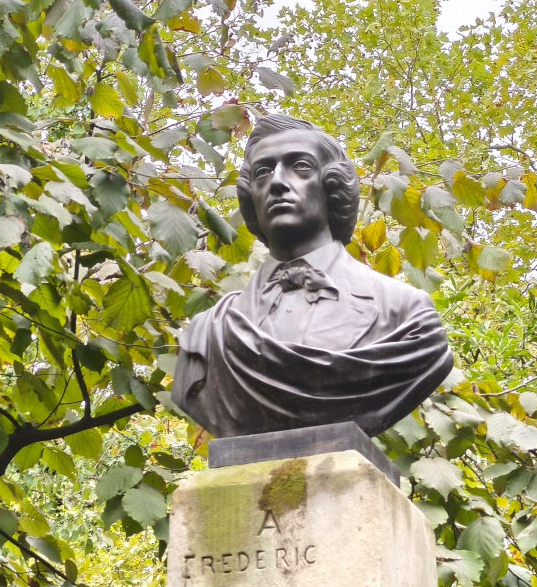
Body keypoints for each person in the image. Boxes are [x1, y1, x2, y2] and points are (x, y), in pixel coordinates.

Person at [171, 114, 453, 438]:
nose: (277, 181)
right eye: (263, 172)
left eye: (300, 166)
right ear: (251, 195)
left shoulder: (406, 315)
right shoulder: (210, 331)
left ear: (331, 185)